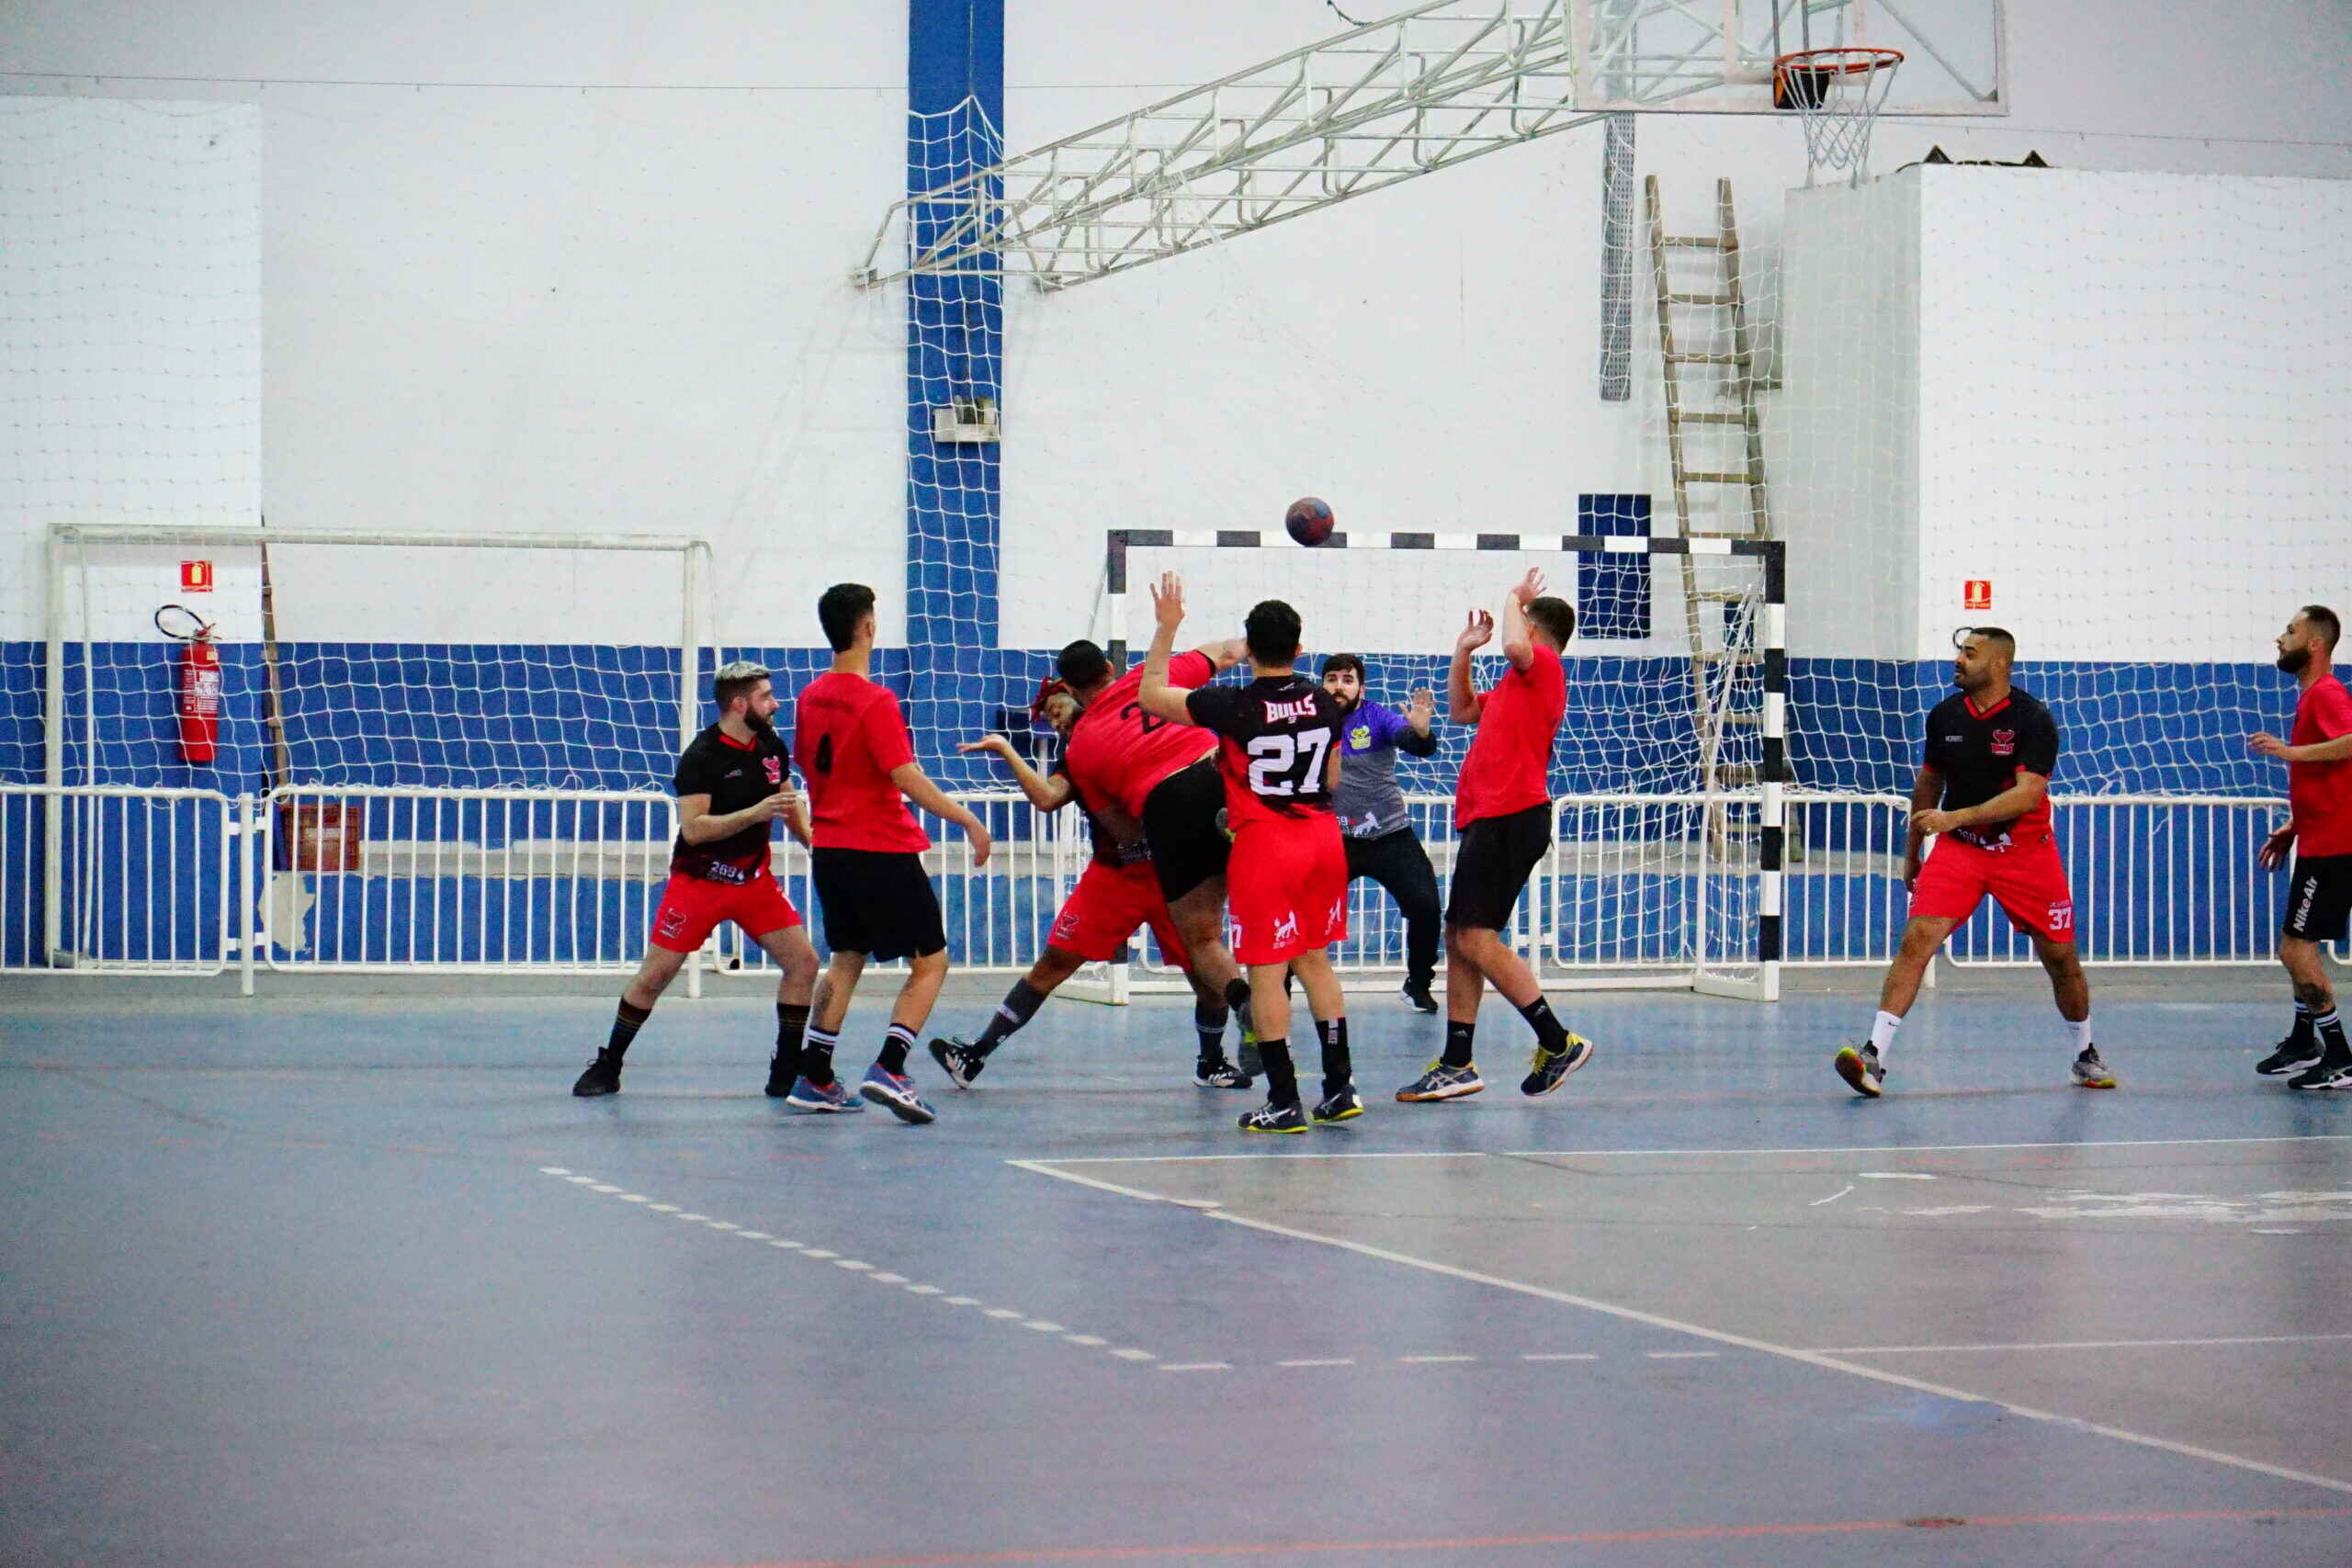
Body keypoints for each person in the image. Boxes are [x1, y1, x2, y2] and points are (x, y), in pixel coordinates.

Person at [1834, 626, 2115, 1097]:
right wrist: (1912, 852)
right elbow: (1928, 785)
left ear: (1999, 664)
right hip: (1959, 849)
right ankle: (1873, 1057)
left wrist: (1952, 817)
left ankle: (2084, 1054)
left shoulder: (2033, 719)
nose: (1959, 660)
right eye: (1960, 652)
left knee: (2061, 958)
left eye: (1970, 653)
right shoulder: (1944, 715)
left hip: (2026, 853)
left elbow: (2027, 797)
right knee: (1917, 939)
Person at [927, 683, 1251, 1089]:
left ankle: (1214, 1060)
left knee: (1206, 976)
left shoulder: (1145, 725)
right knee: (1052, 965)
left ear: (1080, 693)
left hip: (1171, 870)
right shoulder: (1078, 756)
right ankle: (975, 1054)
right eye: (1045, 716)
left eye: (1054, 707)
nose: (1052, 718)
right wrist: (1007, 751)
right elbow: (1047, 797)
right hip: (1113, 878)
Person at [1141, 574, 1359, 1134]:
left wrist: (1167, 629)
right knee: (1316, 962)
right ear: (1300, 648)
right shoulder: (1328, 702)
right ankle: (1339, 1089)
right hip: (1323, 840)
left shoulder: (1233, 704)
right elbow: (1333, 777)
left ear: (1250, 649)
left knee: (1266, 973)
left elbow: (1150, 695)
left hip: (1267, 844)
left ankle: (1284, 1099)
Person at [786, 583, 991, 1123]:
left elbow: (808, 764)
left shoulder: (809, 697)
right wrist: (967, 818)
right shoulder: (876, 701)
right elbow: (908, 779)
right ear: (869, 627)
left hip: (830, 846)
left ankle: (815, 1075)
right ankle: (892, 1067)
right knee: (931, 961)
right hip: (878, 846)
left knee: (845, 959)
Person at [573, 661, 820, 1098]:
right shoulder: (701, 757)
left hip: (754, 882)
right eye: (766, 696)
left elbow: (785, 799)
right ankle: (608, 1064)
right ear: (739, 704)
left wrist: (814, 844)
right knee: (654, 977)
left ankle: (785, 1069)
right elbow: (694, 829)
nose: (776, 703)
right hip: (698, 884)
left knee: (803, 963)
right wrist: (753, 814)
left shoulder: (771, 746)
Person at [1396, 570, 1594, 1103]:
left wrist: (1514, 597)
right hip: (1491, 817)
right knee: (1460, 936)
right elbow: (1462, 712)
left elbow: (1513, 641)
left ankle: (1557, 1041)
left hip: (1513, 815)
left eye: (1523, 623)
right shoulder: (1516, 683)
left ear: (1534, 628)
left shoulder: (1544, 664)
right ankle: (1457, 1062)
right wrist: (1463, 653)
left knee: (1476, 939)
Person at [1057, 632, 1261, 1065]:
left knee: (1203, 940)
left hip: (1167, 807)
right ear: (1110, 669)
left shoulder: (1079, 747)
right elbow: (1227, 652)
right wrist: (1263, 640)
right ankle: (1233, 829)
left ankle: (1244, 1002)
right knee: (1271, 921)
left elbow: (1125, 833)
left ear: (1071, 690)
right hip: (1220, 775)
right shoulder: (1143, 680)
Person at [2248, 604, 2352, 1090]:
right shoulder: (2311, 696)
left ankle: (2339, 1056)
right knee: (2297, 947)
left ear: (2314, 644)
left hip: (2336, 849)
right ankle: (2302, 1040)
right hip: (2319, 841)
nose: (2279, 638)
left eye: (2289, 631)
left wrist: (2287, 752)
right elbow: (2332, 779)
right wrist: (2294, 825)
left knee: (2295, 951)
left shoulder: (2327, 694)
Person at [1321, 654, 1443, 1012]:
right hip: (1333, 839)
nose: (1339, 686)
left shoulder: (1375, 717)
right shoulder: (1311, 718)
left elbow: (1415, 743)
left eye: (1347, 679)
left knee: (1425, 906)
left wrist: (1421, 732)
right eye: (1331, 678)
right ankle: (1280, 987)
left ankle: (1417, 985)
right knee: (1304, 914)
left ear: (1361, 686)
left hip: (1389, 834)